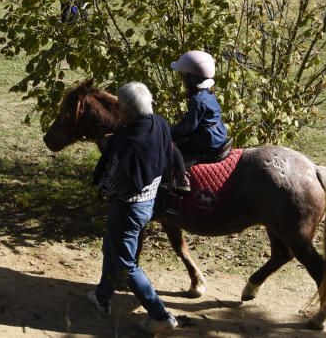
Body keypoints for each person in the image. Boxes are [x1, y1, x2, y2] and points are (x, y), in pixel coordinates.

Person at [87, 82, 178, 335]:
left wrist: (102, 186)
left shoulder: (127, 141)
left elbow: (115, 182)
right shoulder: (160, 123)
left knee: (127, 264)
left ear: (125, 111)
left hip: (127, 208)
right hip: (148, 203)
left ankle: (160, 315)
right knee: (111, 247)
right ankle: (102, 297)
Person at [169, 50, 229, 191]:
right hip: (217, 134)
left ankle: (182, 180)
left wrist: (168, 131)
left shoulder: (197, 100)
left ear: (191, 79)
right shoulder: (207, 93)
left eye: (183, 77)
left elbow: (188, 128)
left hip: (208, 140)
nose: (182, 80)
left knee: (171, 148)